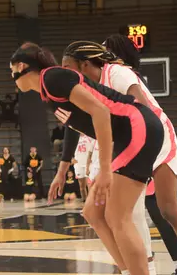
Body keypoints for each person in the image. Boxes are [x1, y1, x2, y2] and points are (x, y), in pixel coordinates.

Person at [10, 42, 165, 275]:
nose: (11, 76)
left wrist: (104, 170)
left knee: (117, 216)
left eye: (10, 70)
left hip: (137, 125)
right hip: (129, 132)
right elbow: (76, 127)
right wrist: (62, 171)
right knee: (93, 213)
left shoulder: (51, 77)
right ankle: (127, 270)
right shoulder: (48, 88)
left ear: (21, 66)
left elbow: (101, 112)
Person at [62, 38, 177, 274]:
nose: (66, 75)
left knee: (167, 209)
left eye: (68, 68)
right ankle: (138, 268)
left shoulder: (117, 73)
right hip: (131, 143)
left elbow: (141, 107)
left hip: (156, 137)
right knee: (119, 213)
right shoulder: (90, 89)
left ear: (84, 65)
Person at [73, 135, 94, 202]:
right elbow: (69, 149)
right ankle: (84, 201)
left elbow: (93, 148)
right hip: (78, 163)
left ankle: (91, 201)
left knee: (89, 184)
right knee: (82, 186)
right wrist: (71, 158)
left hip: (87, 163)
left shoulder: (89, 136)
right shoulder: (74, 138)